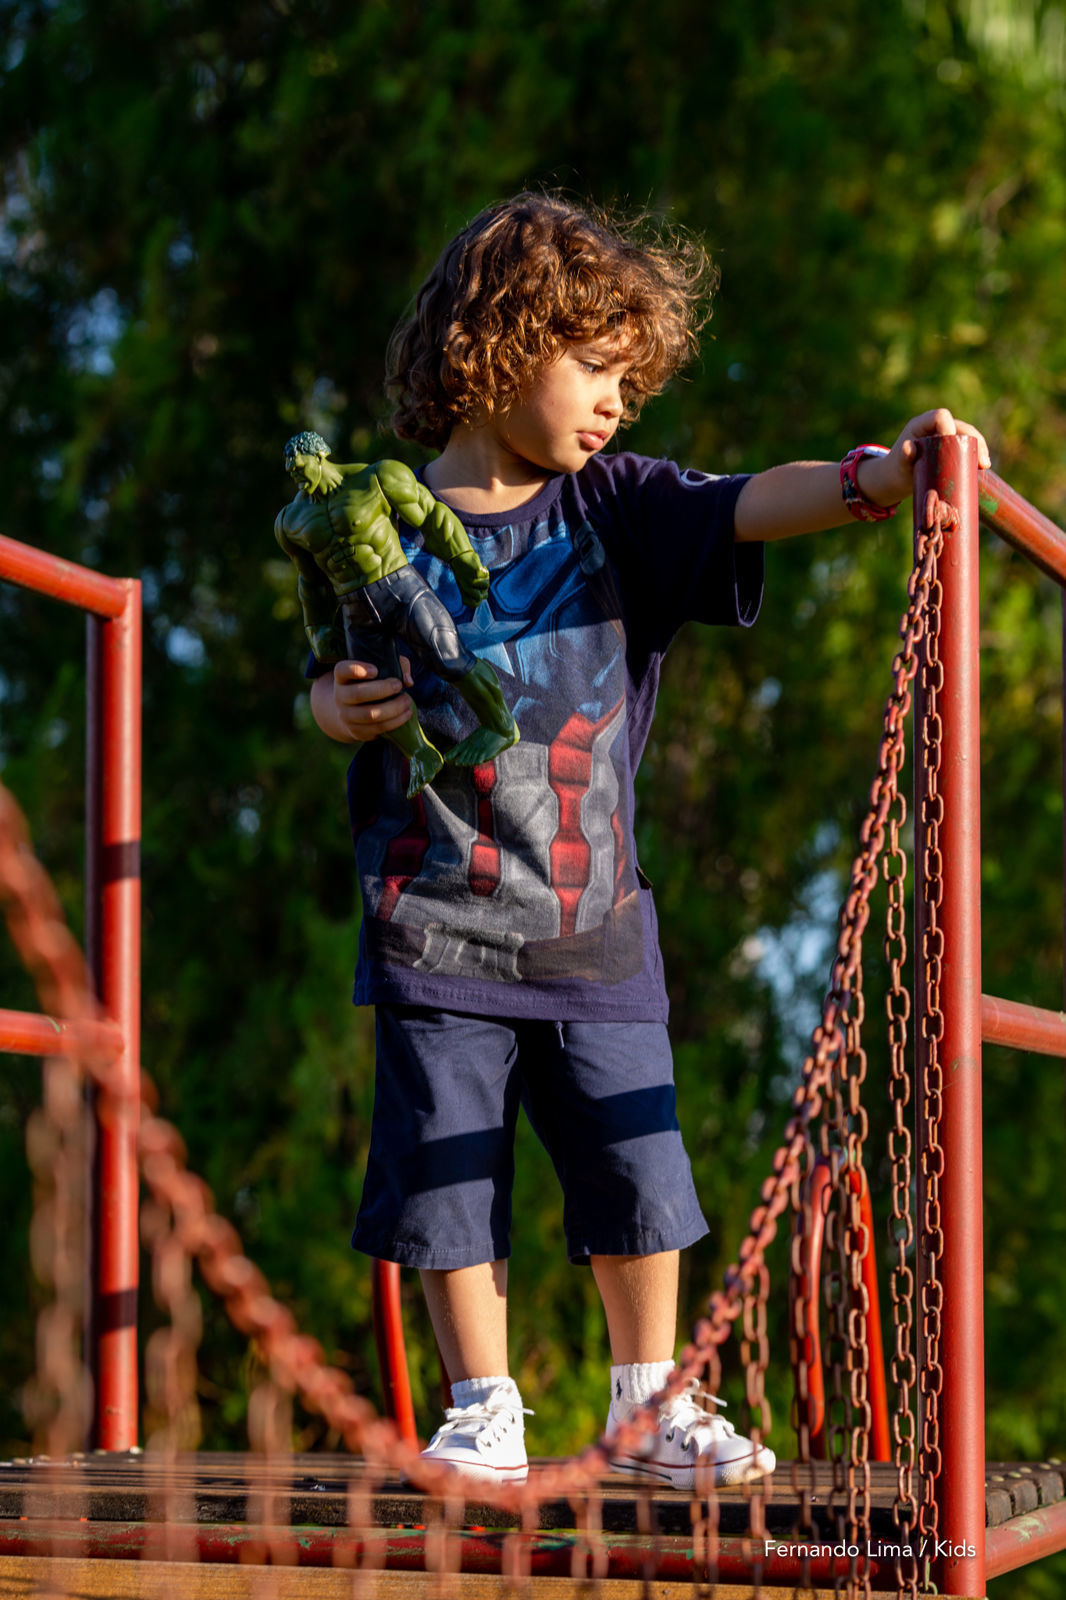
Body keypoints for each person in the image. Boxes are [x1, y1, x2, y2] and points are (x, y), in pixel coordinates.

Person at [304, 192, 990, 1487]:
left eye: (631, 379)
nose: (619, 402)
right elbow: (328, 670)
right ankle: (481, 1409)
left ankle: (644, 1410)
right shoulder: (380, 520)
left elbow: (744, 503)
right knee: (448, 1188)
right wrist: (331, 706)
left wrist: (876, 479)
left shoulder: (612, 506)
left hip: (591, 931)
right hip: (433, 921)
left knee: (639, 1166)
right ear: (499, 346)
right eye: (596, 369)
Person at [276, 432, 519, 797]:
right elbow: (310, 582)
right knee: (377, 689)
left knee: (448, 656)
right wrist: (316, 628)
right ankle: (421, 754)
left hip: (399, 586)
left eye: (300, 467)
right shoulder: (291, 522)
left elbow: (432, 517)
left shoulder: (376, 478)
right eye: (292, 473)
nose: (297, 477)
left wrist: (464, 561)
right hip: (353, 607)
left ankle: (500, 725)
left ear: (321, 454)